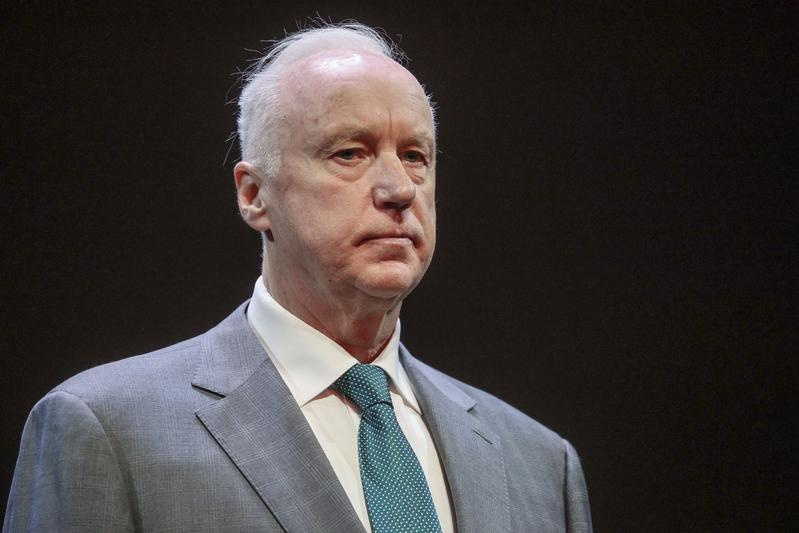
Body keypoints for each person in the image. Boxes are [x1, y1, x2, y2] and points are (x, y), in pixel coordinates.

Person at [4, 23, 592, 533]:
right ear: (254, 194)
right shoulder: (108, 431)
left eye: (416, 155)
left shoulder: (540, 464)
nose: (398, 189)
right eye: (349, 153)